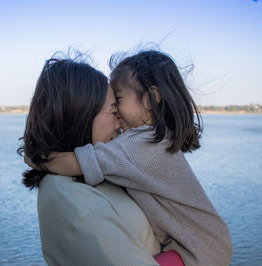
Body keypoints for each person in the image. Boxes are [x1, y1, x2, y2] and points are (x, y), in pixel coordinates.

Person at [44, 50, 233, 265]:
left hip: (198, 251)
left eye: (119, 100)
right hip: (210, 243)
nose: (116, 111)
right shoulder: (155, 140)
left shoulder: (141, 144)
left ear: (151, 99)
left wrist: (39, 159)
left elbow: (78, 162)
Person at [18, 55, 161, 265]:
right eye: (114, 111)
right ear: (79, 116)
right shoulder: (76, 204)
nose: (120, 123)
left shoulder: (92, 176)